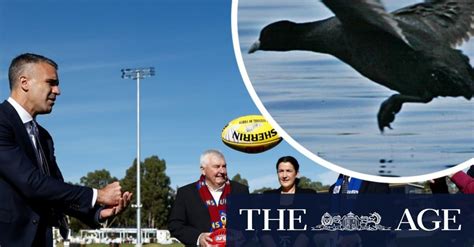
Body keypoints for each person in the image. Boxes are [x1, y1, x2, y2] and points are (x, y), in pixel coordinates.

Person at [0, 53, 132, 246]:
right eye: (51, 83)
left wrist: (98, 213)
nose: (58, 91)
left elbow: (54, 189)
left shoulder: (44, 137)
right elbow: (31, 183)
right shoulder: (2, 122)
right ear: (24, 82)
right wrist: (98, 195)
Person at [168, 149, 249, 246]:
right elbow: (175, 225)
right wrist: (199, 237)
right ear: (203, 170)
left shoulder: (241, 191)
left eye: (224, 166)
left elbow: (251, 222)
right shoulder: (186, 193)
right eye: (216, 167)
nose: (222, 171)